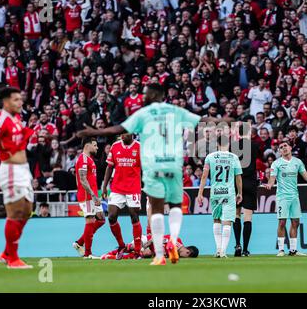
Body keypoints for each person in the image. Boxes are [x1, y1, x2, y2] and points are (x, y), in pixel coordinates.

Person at [77, 84, 231, 265]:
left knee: (155, 209)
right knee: (174, 206)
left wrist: (94, 132)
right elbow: (202, 119)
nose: (144, 95)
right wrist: (226, 120)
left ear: (154, 94)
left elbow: (117, 129)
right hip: (173, 162)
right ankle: (172, 242)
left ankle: (159, 255)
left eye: (146, 93)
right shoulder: (174, 110)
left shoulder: (144, 113)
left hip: (154, 165)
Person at [0, 87, 35, 269]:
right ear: (5, 102)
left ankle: (6, 253)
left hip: (23, 170)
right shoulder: (1, 120)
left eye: (21, 99)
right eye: (16, 100)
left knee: (27, 210)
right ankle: (13, 260)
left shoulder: (15, 118)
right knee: (15, 212)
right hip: (10, 170)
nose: (20, 102)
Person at [264, 140, 307, 256]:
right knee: (282, 222)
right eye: (281, 147)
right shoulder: (276, 163)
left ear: (290, 148)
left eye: (285, 146)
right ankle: (281, 250)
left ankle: (293, 250)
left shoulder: (298, 162)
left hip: (294, 196)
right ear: (279, 151)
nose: (283, 148)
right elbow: (272, 178)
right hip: (282, 197)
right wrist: (270, 184)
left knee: (296, 222)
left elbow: (306, 176)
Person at [197, 134, 243, 258]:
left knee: (216, 220)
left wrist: (200, 193)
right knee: (227, 222)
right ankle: (223, 251)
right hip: (229, 192)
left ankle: (218, 250)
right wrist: (240, 193)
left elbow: (204, 176)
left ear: (217, 144)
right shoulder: (234, 157)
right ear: (228, 144)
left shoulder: (210, 157)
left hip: (215, 193)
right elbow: (238, 177)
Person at [101, 133, 142, 259]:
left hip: (133, 187)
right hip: (117, 187)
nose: (122, 136)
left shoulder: (140, 147)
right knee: (111, 216)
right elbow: (109, 167)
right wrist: (104, 185)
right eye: (121, 134)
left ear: (132, 134)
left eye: (125, 133)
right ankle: (121, 245)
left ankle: (137, 250)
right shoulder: (115, 146)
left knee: (134, 216)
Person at [72, 137, 105, 259]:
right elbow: (82, 179)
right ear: (87, 146)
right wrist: (92, 195)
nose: (97, 148)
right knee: (90, 221)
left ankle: (79, 243)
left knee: (101, 219)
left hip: (92, 195)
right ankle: (88, 253)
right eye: (95, 145)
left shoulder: (89, 159)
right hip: (87, 196)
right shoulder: (83, 159)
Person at [233, 123, 260, 257]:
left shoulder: (233, 146)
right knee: (248, 217)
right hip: (250, 182)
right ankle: (245, 249)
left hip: (237, 182)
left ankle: (237, 245)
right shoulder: (255, 145)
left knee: (236, 215)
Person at [102, 234, 199, 259]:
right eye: (186, 256)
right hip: (147, 240)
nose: (183, 257)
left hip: (151, 250)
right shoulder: (175, 241)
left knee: (147, 254)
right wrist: (143, 247)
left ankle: (113, 257)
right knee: (135, 248)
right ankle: (111, 253)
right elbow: (155, 239)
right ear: (188, 252)